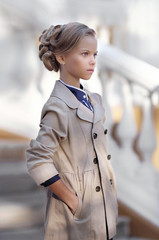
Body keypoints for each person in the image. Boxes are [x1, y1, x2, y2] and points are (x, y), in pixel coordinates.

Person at [26, 22, 118, 240]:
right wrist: (73, 200)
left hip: (103, 209)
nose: (92, 60)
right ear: (62, 57)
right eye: (85, 53)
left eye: (94, 53)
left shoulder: (94, 100)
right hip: (76, 216)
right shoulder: (57, 106)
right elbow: (38, 160)